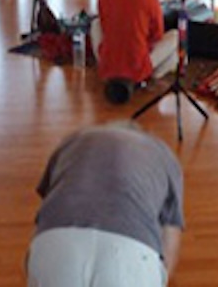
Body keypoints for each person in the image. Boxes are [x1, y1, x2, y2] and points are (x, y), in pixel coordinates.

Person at [27, 122, 184, 287]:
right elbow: (170, 240)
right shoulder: (163, 153)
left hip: (55, 246)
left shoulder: (73, 141)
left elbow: (46, 209)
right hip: (130, 255)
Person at [91, 0, 177, 104]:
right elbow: (157, 35)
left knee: (95, 23)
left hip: (107, 66)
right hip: (137, 67)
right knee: (175, 37)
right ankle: (151, 74)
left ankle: (110, 65)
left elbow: (104, 27)